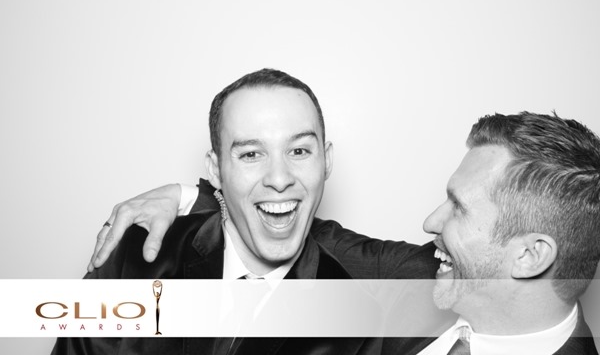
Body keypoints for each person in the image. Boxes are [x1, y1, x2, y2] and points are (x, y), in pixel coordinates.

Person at [90, 111, 600, 354]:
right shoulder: (419, 278)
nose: (430, 222)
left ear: (530, 256)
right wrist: (195, 196)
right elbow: (311, 234)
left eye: (459, 209)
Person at [51, 68, 387, 355]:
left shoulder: (358, 324)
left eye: (299, 151)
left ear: (326, 161)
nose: (279, 179)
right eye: (251, 154)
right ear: (215, 170)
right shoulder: (132, 258)